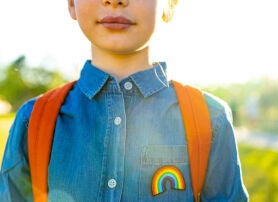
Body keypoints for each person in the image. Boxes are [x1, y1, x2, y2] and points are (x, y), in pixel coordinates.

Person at [0, 0, 249, 201]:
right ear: (71, 4)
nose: (115, 1)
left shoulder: (208, 118)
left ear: (170, 4)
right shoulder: (33, 120)